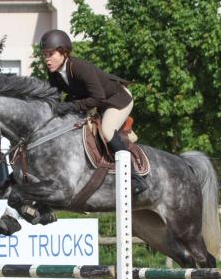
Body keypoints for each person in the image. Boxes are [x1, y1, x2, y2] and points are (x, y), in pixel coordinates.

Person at [39, 29, 148, 194]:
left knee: (107, 130)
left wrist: (70, 106)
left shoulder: (80, 67)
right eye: (45, 55)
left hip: (117, 99)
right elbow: (54, 96)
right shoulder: (54, 73)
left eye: (51, 54)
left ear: (64, 52)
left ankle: (133, 177)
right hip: (95, 101)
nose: (47, 59)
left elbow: (98, 98)